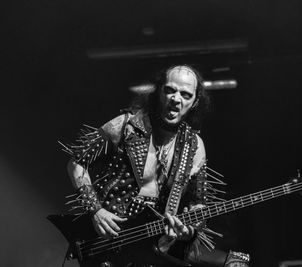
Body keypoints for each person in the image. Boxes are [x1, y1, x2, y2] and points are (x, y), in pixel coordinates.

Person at [62, 65, 250, 267]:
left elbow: (199, 203)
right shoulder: (127, 125)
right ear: (159, 91)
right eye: (170, 90)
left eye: (185, 95)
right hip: (104, 240)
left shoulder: (194, 146)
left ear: (195, 102)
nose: (176, 99)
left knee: (236, 263)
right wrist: (96, 210)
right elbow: (77, 162)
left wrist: (189, 231)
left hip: (149, 248)